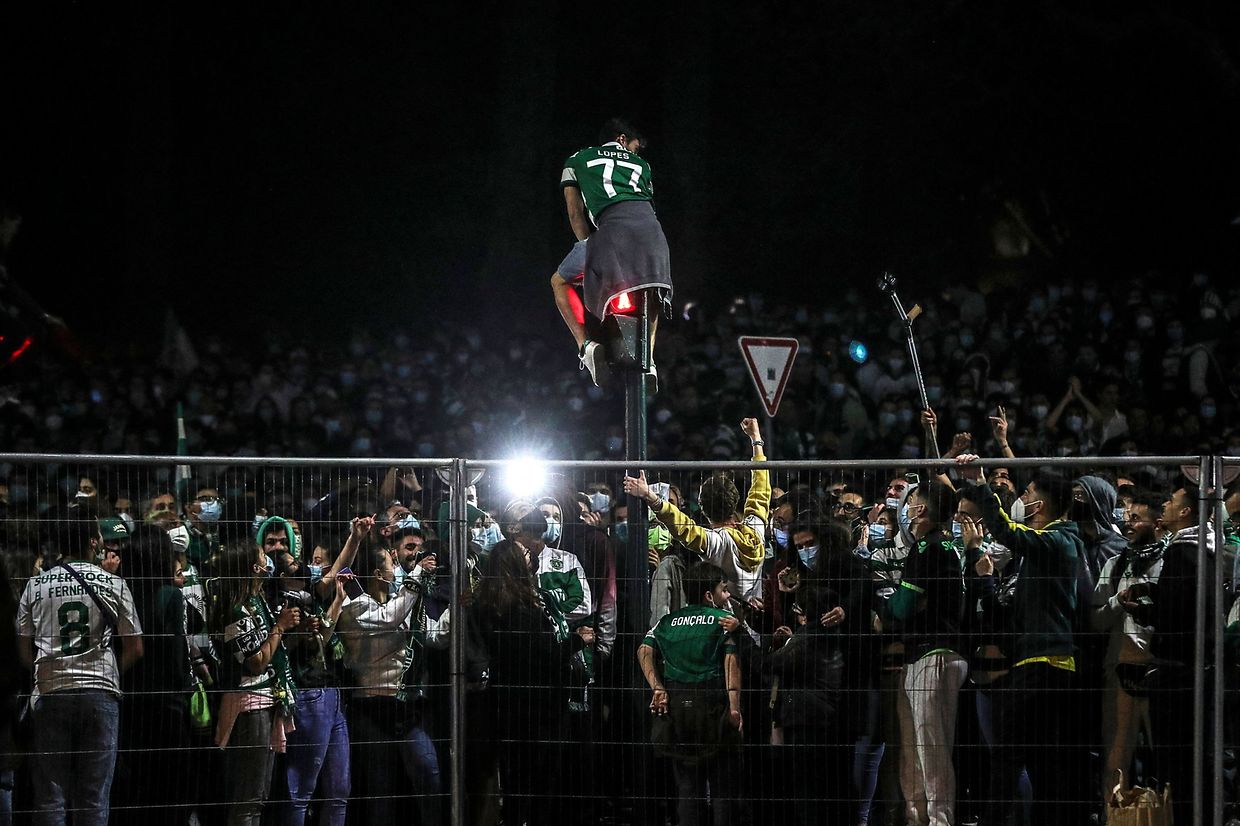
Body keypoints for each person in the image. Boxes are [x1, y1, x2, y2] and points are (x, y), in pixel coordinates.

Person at [959, 456, 1086, 824]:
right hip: (1036, 666)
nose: (1022, 498)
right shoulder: (1042, 551)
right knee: (1036, 758)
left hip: (1043, 666)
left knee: (1010, 756)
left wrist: (982, 484)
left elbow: (1008, 532)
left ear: (1039, 504)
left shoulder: (1058, 541)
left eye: (1027, 492)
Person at [16, 517, 144, 826]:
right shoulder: (112, 582)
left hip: (51, 690)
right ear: (93, 542)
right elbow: (135, 647)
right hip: (99, 692)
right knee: (94, 798)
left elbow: (22, 647)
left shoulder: (36, 585)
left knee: (50, 796)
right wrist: (108, 673)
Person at [555, 118, 672, 390]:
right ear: (621, 139)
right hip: (651, 233)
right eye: (634, 146)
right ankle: (650, 361)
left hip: (609, 232)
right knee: (651, 290)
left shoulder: (576, 160)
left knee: (559, 281)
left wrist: (588, 246)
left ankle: (586, 346)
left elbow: (575, 212)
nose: (635, 153)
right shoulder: (642, 166)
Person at [335, 540, 444, 826]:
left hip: (404, 705)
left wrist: (458, 606)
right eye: (389, 562)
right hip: (369, 707)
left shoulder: (396, 599)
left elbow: (431, 635)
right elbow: (389, 619)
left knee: (429, 772)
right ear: (375, 572)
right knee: (380, 791)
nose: (395, 566)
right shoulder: (354, 606)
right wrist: (417, 574)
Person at [475, 540, 577, 826]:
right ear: (515, 564)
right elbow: (544, 654)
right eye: (522, 552)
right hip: (540, 708)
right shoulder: (525, 609)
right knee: (542, 785)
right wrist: (578, 641)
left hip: (507, 706)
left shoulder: (489, 605)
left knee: (515, 783)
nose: (529, 553)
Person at [638, 561, 743, 826]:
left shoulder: (667, 622)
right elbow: (731, 663)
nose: (728, 595)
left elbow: (643, 650)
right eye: (724, 589)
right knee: (722, 788)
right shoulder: (722, 622)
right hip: (712, 705)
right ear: (710, 594)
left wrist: (657, 687)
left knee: (687, 787)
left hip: (677, 707)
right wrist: (734, 708)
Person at [887, 480, 967, 826]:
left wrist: (888, 606)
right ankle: (922, 817)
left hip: (933, 654)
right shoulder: (950, 546)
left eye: (912, 502)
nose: (907, 508)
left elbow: (902, 607)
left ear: (921, 510)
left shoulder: (926, 549)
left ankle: (940, 820)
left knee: (931, 748)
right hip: (938, 653)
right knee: (923, 746)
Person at [623, 418, 770, 602]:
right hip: (756, 624)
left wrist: (651, 497)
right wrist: (756, 439)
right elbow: (761, 490)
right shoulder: (756, 530)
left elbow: (684, 528)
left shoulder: (716, 542)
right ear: (735, 502)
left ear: (703, 509)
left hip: (723, 625)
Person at [210, 541, 301, 826]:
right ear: (254, 567)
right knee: (248, 800)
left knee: (259, 797)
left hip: (265, 699)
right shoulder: (236, 610)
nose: (268, 560)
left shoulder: (255, 600)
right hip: (249, 705)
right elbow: (257, 661)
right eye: (263, 557)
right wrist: (280, 627)